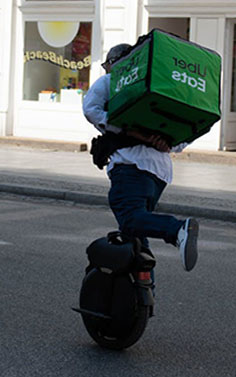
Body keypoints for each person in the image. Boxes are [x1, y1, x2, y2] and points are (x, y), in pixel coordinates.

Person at [82, 43, 199, 272]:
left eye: (107, 64)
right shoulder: (160, 86)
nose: (107, 69)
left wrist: (128, 130)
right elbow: (186, 129)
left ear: (116, 63)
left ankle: (177, 230)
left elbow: (91, 109)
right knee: (134, 237)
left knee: (130, 219)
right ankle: (141, 298)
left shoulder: (112, 81)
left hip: (130, 165)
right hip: (160, 173)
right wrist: (168, 144)